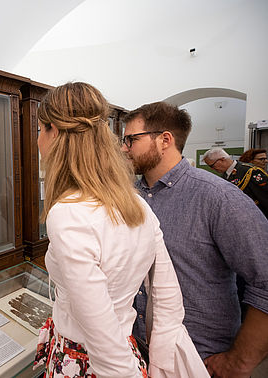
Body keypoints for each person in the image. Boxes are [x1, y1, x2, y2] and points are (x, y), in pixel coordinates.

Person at [33, 83, 207, 377]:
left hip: (92, 363)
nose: (38, 141)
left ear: (56, 133)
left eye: (40, 130)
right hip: (128, 351)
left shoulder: (68, 214)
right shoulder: (137, 205)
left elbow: (100, 329)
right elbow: (168, 299)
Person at [121, 101, 268, 378]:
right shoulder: (130, 197)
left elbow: (265, 280)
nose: (124, 147)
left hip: (201, 358)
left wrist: (239, 362)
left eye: (131, 139)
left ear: (165, 140)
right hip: (140, 356)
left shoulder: (218, 198)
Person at [203, 147, 268, 218]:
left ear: (222, 159)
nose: (212, 169)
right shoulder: (225, 175)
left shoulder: (250, 171)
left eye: (212, 165)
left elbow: (264, 198)